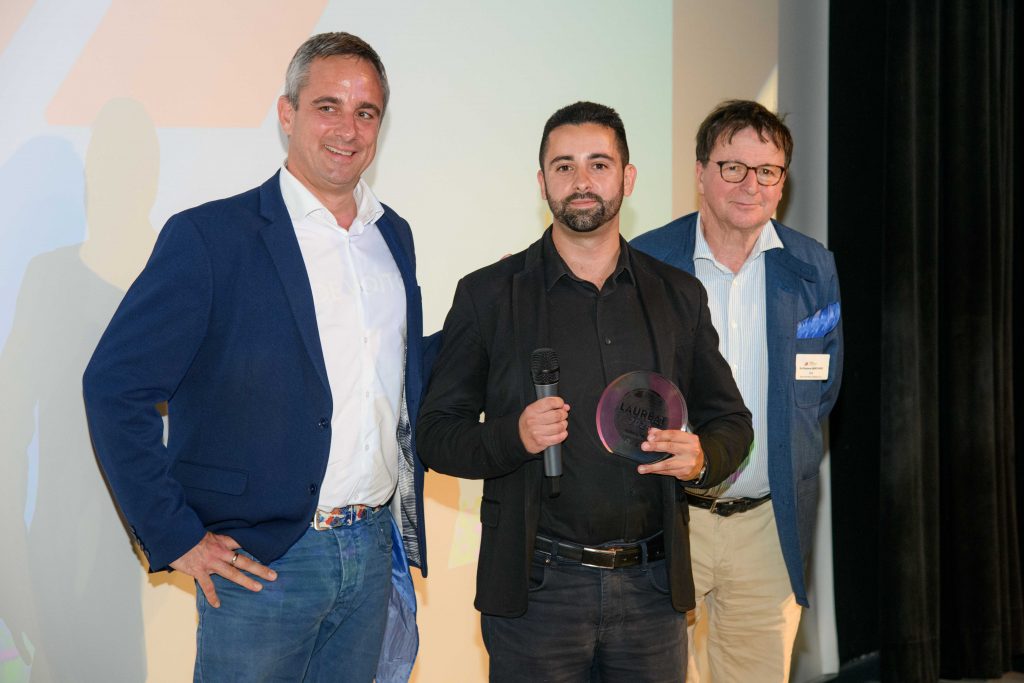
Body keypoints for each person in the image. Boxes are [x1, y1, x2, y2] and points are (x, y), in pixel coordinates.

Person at [83, 32, 428, 682]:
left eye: (366, 112)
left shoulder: (393, 236)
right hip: (265, 563)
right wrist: (176, 534)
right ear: (287, 114)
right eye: (327, 107)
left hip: (370, 551)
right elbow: (113, 386)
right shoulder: (210, 237)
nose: (348, 129)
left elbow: (392, 374)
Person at [416, 101, 753, 682]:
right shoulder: (489, 295)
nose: (581, 181)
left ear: (627, 178)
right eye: (564, 166)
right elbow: (435, 435)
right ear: (542, 181)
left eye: (599, 164)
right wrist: (514, 436)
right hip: (537, 593)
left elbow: (732, 423)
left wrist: (702, 458)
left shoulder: (677, 295)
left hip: (652, 592)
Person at [632, 99, 844, 682]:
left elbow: (820, 388)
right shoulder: (646, 260)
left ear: (782, 183)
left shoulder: (812, 267)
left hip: (767, 528)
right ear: (701, 173)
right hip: (666, 521)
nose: (751, 185)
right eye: (733, 167)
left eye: (767, 171)